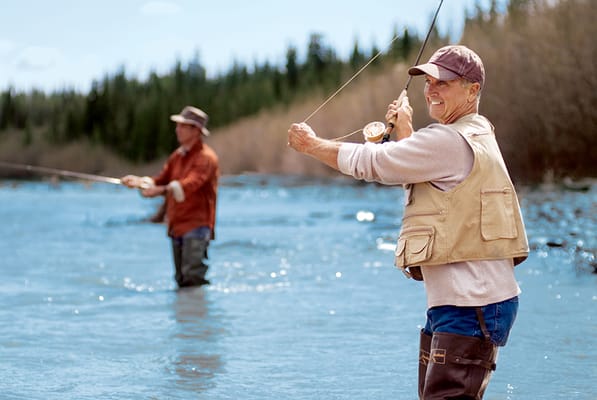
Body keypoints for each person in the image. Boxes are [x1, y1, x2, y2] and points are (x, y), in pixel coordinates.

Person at [287, 45, 529, 399]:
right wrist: (407, 132)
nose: (431, 90)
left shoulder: (449, 139)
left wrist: (312, 145)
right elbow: (429, 178)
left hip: (469, 305)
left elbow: (376, 163)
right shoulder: (476, 133)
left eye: (443, 83)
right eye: (428, 82)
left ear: (473, 89)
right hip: (470, 302)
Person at [122, 106, 219, 288]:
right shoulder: (177, 156)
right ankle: (186, 316)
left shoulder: (207, 158)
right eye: (178, 126)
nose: (177, 130)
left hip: (197, 226)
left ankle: (196, 315)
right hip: (177, 225)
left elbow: (190, 184)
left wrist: (159, 190)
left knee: (192, 278)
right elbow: (161, 179)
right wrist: (140, 181)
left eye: (183, 126)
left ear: (196, 130)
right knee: (181, 279)